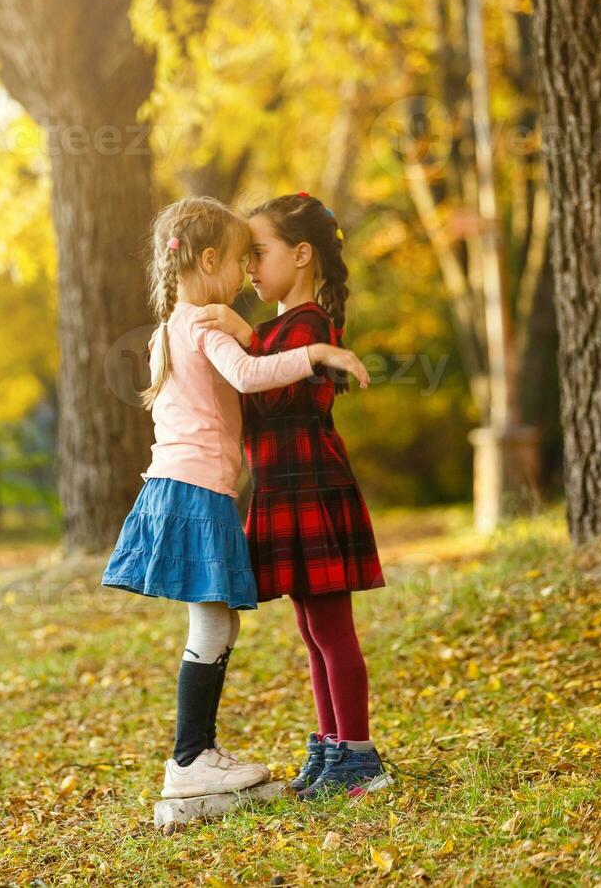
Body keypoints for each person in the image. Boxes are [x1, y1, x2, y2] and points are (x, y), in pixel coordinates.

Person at [100, 196, 370, 801]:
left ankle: (199, 752)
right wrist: (319, 353)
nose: (247, 272)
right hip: (201, 491)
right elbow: (251, 376)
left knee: (221, 622)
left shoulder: (174, 325)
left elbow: (250, 369)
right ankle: (192, 755)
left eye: (259, 254)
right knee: (217, 623)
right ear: (210, 258)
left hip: (186, 485)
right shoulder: (203, 322)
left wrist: (259, 336)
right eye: (241, 257)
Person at [194, 191, 391, 799]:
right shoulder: (279, 327)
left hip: (312, 487)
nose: (250, 267)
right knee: (311, 629)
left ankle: (359, 756)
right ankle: (332, 745)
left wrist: (242, 336)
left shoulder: (307, 327)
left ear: (301, 254)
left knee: (332, 629)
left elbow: (275, 393)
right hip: (282, 488)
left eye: (259, 253)